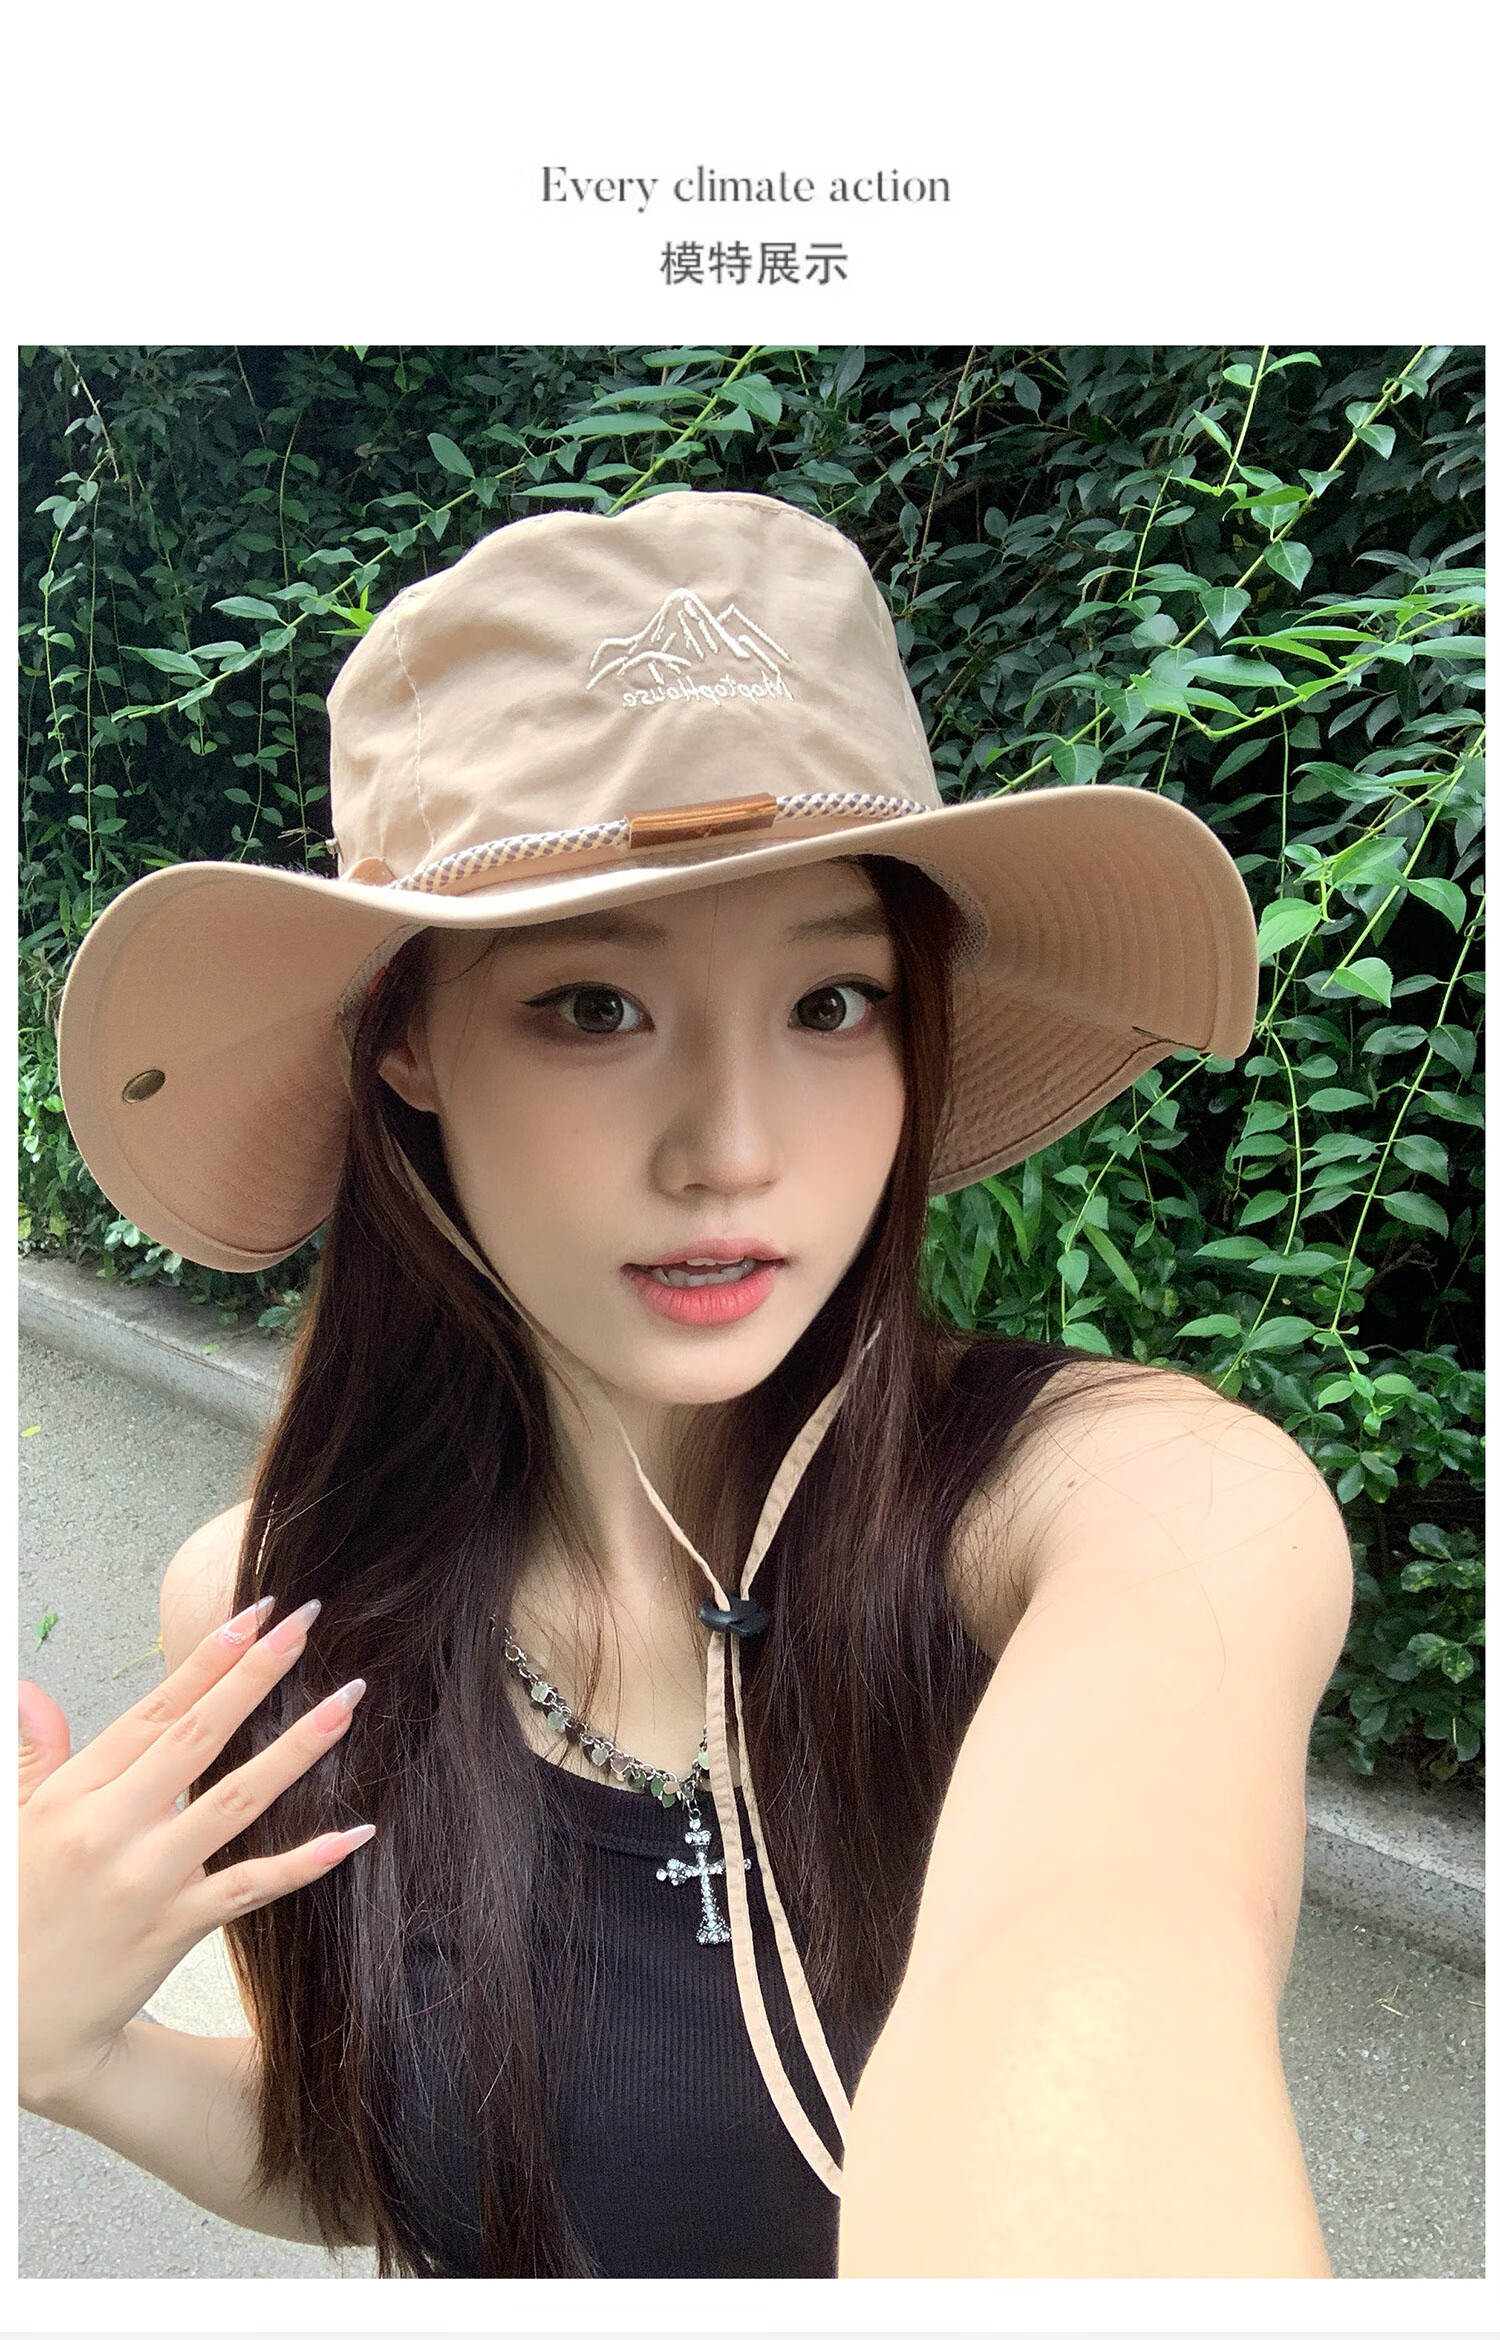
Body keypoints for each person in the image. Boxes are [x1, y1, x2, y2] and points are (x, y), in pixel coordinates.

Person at [21, 490, 1353, 2280]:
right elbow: (388, 2159)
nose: (733, 1149)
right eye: (595, 1005)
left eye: (832, 1004)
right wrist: (72, 2056)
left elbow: (1112, 1957)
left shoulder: (1132, 1514)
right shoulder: (284, 1618)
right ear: (408, 1039)